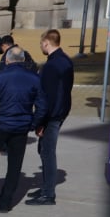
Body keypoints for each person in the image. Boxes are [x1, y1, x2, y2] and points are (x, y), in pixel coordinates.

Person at [0, 46, 40, 214]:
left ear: (7, 60)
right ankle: (5, 201)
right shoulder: (34, 78)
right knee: (14, 166)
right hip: (21, 126)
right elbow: (42, 104)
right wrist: (34, 122)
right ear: (24, 60)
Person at [28, 29, 73, 206]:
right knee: (44, 150)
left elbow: (47, 97)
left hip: (52, 115)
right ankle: (46, 186)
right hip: (60, 112)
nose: (41, 46)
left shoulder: (51, 67)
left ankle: (48, 194)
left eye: (41, 44)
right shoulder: (65, 60)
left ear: (46, 43)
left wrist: (40, 123)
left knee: (47, 152)